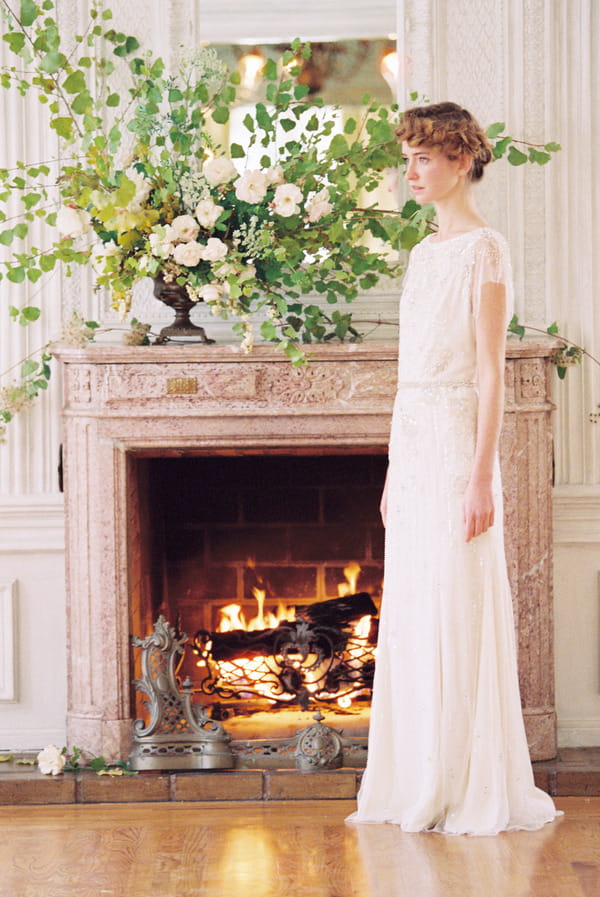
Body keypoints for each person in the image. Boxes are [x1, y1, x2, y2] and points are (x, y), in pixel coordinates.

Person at [346, 102, 560, 835]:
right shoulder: (423, 252)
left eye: (423, 158)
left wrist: (478, 478)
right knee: (414, 604)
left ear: (461, 160)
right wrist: (390, 469)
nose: (410, 171)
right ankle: (415, 775)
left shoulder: (484, 249)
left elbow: (490, 375)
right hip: (414, 442)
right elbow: (412, 373)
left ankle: (462, 779)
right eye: (406, 157)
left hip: (457, 444)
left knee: (455, 602)